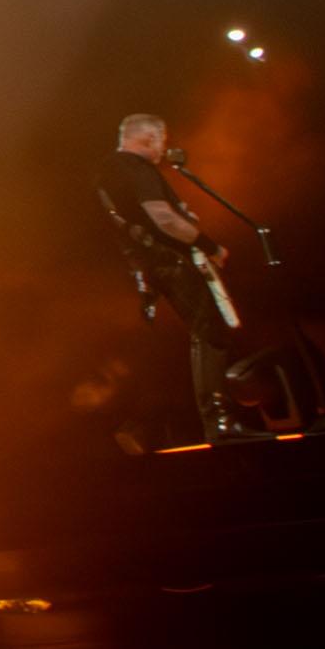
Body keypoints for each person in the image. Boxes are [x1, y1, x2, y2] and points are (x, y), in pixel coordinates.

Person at [95, 113, 247, 443]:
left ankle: (157, 428)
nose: (163, 150)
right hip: (169, 261)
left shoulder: (108, 169)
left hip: (145, 266)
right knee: (210, 332)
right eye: (162, 142)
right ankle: (220, 423)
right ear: (149, 138)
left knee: (173, 345)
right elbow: (163, 218)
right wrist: (210, 246)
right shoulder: (136, 167)